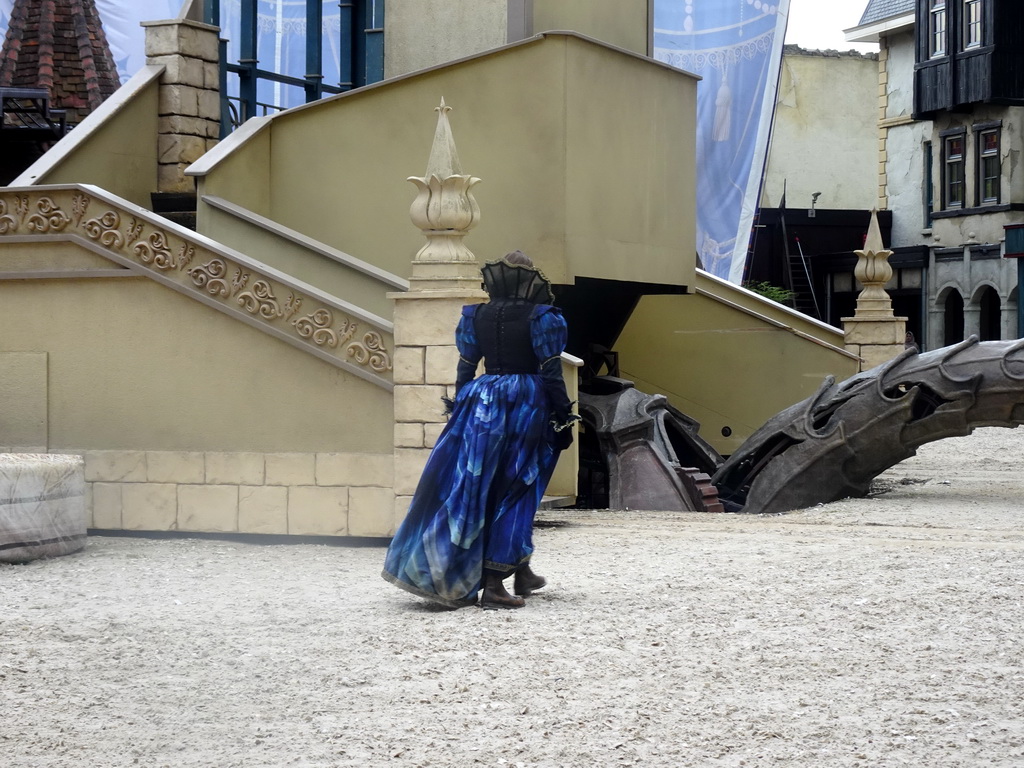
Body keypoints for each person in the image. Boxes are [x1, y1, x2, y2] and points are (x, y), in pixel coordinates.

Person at [382, 251, 577, 610]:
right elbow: (550, 371)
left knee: (479, 484)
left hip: (481, 401)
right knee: (518, 486)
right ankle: (493, 585)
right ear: (529, 280)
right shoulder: (544, 317)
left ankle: (522, 571)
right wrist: (563, 417)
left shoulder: (474, 315)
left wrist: (459, 405)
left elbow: (466, 365)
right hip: (525, 403)